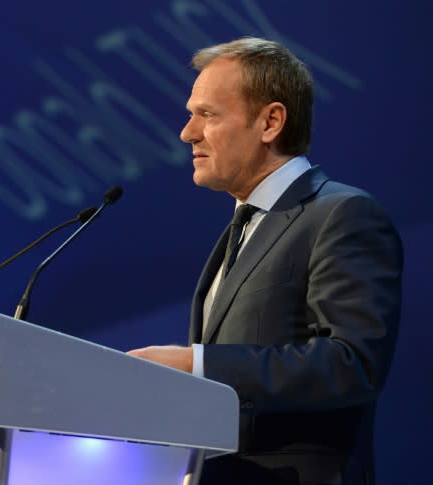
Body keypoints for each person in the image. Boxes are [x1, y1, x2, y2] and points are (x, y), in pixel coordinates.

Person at [127, 37, 403, 485]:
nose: (187, 132)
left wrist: (197, 366)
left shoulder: (341, 214)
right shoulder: (240, 230)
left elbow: (352, 363)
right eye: (190, 114)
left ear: (271, 121)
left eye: (207, 115)